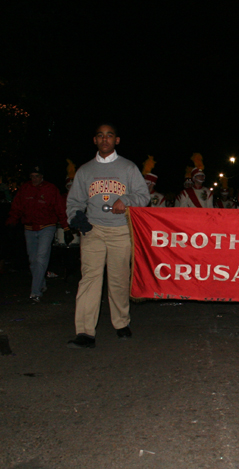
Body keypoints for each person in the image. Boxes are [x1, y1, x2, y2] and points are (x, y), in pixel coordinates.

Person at [65, 123, 150, 349]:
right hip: (93, 230)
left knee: (118, 279)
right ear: (95, 140)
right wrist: (76, 218)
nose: (105, 139)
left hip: (121, 230)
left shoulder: (128, 168)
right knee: (90, 279)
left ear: (117, 140)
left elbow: (143, 196)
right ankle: (85, 332)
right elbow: (74, 202)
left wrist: (127, 200)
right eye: (100, 136)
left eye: (109, 135)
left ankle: (121, 322)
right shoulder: (85, 171)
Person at [6, 166, 70, 302]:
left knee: (41, 258)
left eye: (37, 176)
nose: (34, 179)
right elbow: (17, 206)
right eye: (32, 176)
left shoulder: (50, 189)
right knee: (33, 260)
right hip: (29, 227)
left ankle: (35, 292)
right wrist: (12, 221)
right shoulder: (25, 189)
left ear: (42, 176)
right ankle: (41, 284)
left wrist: (65, 227)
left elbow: (59, 208)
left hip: (47, 226)